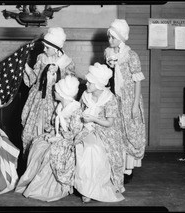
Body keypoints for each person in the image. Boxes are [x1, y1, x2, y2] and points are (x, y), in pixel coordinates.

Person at [15, 75, 83, 202]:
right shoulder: (59, 106)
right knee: (37, 143)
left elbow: (75, 132)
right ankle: (31, 180)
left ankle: (48, 188)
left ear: (62, 94)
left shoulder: (75, 110)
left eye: (56, 91)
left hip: (69, 141)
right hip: (58, 136)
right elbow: (55, 125)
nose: (53, 92)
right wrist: (52, 133)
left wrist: (58, 138)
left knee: (48, 153)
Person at [74, 63, 125, 203]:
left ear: (97, 84)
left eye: (90, 82)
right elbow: (78, 112)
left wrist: (94, 119)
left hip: (106, 131)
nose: (87, 84)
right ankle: (86, 188)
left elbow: (110, 123)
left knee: (96, 150)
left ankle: (95, 188)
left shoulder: (110, 98)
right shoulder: (85, 95)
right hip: (87, 128)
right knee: (87, 148)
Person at [21, 27, 75, 155]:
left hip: (55, 102)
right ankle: (31, 159)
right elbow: (34, 79)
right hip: (38, 99)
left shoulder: (67, 63)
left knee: (50, 129)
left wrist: (59, 72)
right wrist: (26, 68)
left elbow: (71, 86)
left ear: (56, 49)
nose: (44, 50)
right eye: (44, 47)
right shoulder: (41, 57)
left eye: (47, 47)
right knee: (32, 128)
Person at [104, 19, 146, 183]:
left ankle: (128, 169)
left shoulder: (131, 55)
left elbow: (137, 82)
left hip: (129, 98)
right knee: (117, 131)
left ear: (121, 38)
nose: (110, 41)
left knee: (130, 132)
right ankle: (117, 167)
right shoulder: (108, 52)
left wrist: (135, 104)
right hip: (115, 97)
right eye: (109, 37)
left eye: (113, 38)